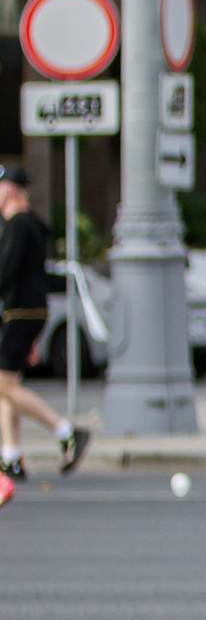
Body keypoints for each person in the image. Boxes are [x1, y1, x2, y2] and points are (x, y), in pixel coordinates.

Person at [0, 165, 84, 500]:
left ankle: (65, 431)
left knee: (4, 385)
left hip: (20, 312)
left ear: (11, 190)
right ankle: (10, 455)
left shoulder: (18, 224)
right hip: (28, 312)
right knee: (7, 385)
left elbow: (5, 272)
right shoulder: (31, 224)